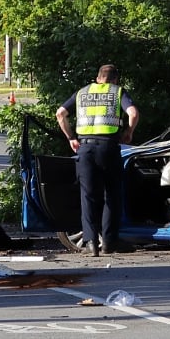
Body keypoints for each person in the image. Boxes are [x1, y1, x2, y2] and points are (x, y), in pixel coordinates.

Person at [56, 64, 139, 256]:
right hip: (108, 147)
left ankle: (91, 243)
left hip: (85, 149)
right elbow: (133, 113)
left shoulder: (82, 92)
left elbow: (60, 114)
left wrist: (71, 138)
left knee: (88, 196)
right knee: (112, 195)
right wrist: (129, 132)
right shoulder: (117, 92)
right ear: (115, 79)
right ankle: (110, 242)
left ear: (98, 78)